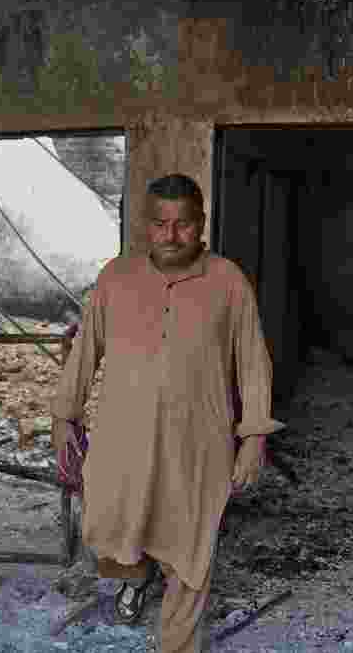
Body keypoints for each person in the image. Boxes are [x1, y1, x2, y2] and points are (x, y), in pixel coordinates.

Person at [51, 173, 283, 653]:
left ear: (201, 224)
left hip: (197, 443)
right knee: (112, 530)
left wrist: (255, 436)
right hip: (122, 438)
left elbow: (254, 364)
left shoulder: (227, 281)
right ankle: (135, 577)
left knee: (191, 551)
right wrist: (63, 416)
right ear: (145, 225)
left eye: (183, 224)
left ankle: (177, 645)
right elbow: (85, 351)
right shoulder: (116, 277)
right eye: (161, 223)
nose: (172, 235)